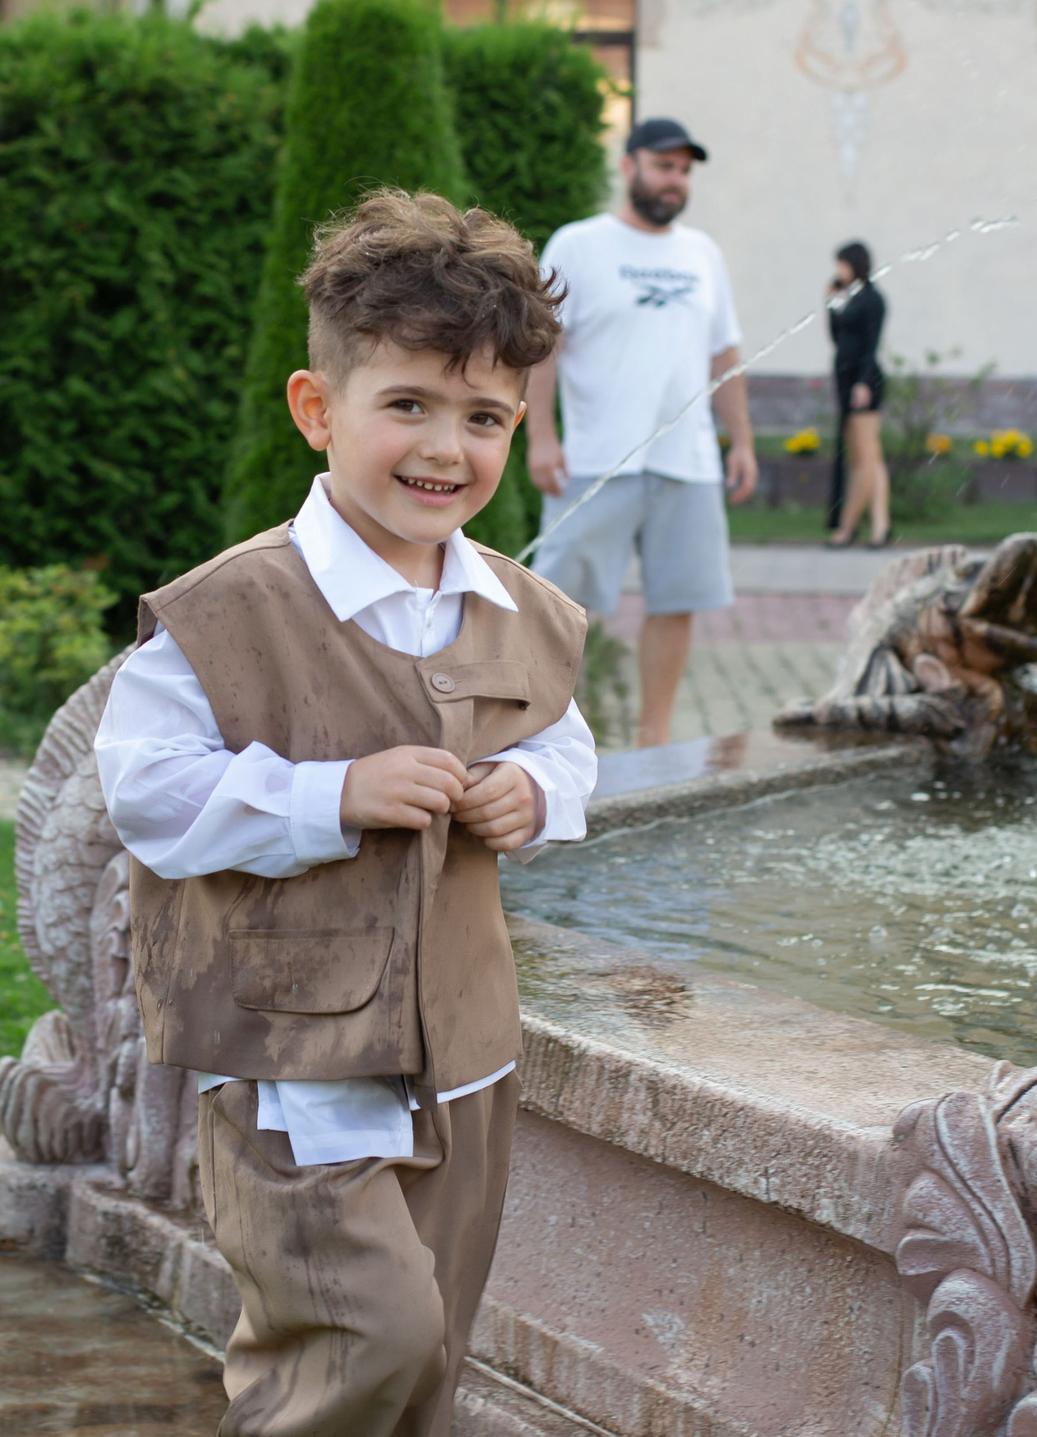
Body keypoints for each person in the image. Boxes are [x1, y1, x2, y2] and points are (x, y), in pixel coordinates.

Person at [95, 189, 599, 1437]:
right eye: (409, 405)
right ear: (319, 410)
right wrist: (332, 795)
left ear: (518, 426)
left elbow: (564, 740)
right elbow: (147, 789)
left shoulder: (523, 611)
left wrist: (532, 792)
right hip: (293, 1058)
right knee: (359, 1342)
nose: (446, 447)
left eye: (482, 417)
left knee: (433, 1356)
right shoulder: (232, 611)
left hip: (463, 1046)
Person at [526, 116, 758, 747]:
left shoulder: (702, 254)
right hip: (598, 462)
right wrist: (541, 438)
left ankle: (655, 740)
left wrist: (741, 440)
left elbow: (723, 354)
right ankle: (547, 739)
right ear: (629, 167)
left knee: (676, 602)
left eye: (683, 170)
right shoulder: (578, 245)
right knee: (559, 607)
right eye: (663, 166)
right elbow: (542, 350)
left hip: (688, 465)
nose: (674, 180)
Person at [824, 240, 890, 548]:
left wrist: (863, 383)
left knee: (864, 460)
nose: (839, 270)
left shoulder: (873, 300)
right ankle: (880, 526)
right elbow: (836, 336)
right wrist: (831, 302)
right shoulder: (846, 297)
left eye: (843, 264)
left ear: (856, 264)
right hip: (846, 380)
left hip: (864, 384)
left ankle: (847, 528)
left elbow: (871, 345)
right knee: (871, 459)